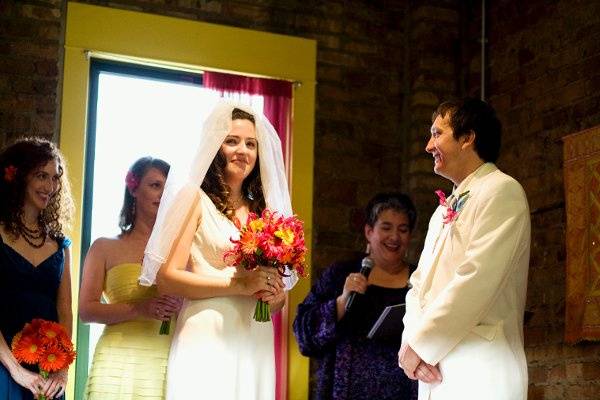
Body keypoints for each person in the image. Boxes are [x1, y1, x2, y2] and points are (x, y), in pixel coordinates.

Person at [139, 101, 294, 400]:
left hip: (252, 338)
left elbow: (274, 302)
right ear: (214, 146)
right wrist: (240, 284)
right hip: (206, 334)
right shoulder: (194, 199)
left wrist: (276, 295)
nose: (243, 150)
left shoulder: (266, 216)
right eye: (232, 141)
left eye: (251, 144)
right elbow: (167, 278)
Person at [398, 98, 530, 400]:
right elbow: (419, 285)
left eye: (437, 133)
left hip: (481, 370)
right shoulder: (441, 210)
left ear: (468, 137)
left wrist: (420, 345)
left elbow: (476, 279)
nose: (428, 146)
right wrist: (411, 343)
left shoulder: (502, 191)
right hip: (434, 373)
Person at [293, 192, 418, 400]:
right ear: (369, 231)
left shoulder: (421, 280)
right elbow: (304, 335)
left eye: (402, 230)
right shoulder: (340, 274)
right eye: (386, 228)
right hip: (343, 391)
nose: (394, 237)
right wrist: (341, 303)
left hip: (402, 391)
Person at [79, 157, 182, 399]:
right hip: (116, 365)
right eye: (155, 185)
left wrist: (182, 305)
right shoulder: (104, 247)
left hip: (166, 361)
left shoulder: (181, 249)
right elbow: (86, 311)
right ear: (133, 189)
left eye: (168, 188)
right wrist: (140, 308)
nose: (163, 194)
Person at [0, 137, 75, 400]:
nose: (50, 186)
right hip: (3, 364)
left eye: (55, 178)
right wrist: (16, 371)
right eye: (41, 176)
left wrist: (62, 370)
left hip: (47, 372)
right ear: (18, 177)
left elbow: (65, 313)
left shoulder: (61, 244)